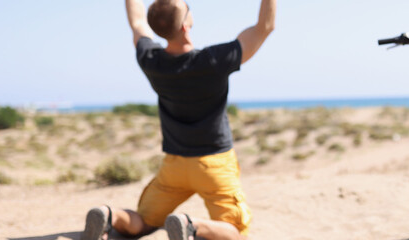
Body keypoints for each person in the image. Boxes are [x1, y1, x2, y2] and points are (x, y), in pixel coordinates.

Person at [82, 0, 275, 239]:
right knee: (235, 232)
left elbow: (137, 22)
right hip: (213, 164)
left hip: (174, 165)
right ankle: (190, 225)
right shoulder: (213, 61)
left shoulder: (151, 60)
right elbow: (264, 27)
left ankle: (110, 215)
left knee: (143, 221)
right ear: (186, 25)